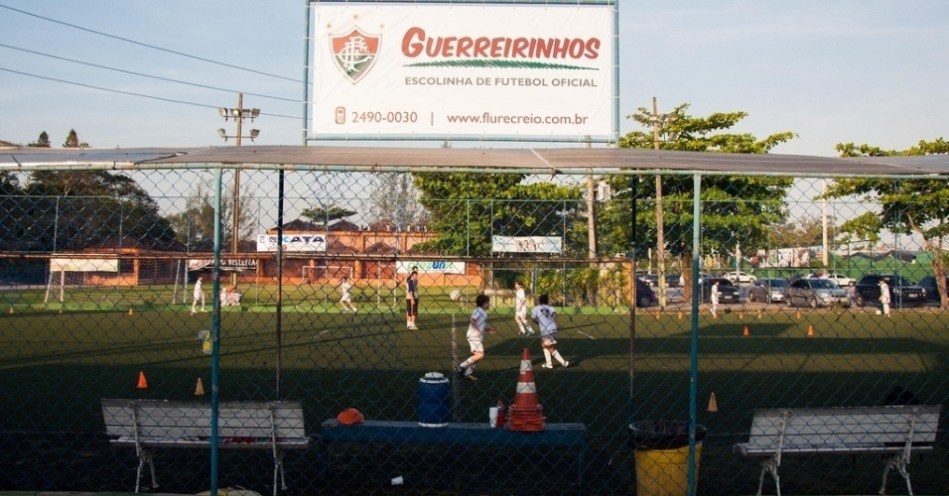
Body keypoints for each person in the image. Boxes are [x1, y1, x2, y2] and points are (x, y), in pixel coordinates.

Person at [456, 294, 494, 381]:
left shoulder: (482, 312)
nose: (489, 304)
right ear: (484, 303)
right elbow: (471, 319)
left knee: (478, 356)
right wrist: (476, 330)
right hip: (473, 336)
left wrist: (487, 329)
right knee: (480, 354)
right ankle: (461, 366)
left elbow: (480, 324)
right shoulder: (479, 310)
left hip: (476, 336)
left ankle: (466, 373)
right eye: (488, 303)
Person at [531, 294, 569, 369]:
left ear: (539, 301)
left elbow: (533, 319)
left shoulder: (536, 308)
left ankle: (564, 362)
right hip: (553, 328)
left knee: (550, 347)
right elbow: (554, 314)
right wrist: (557, 323)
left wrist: (538, 322)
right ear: (547, 300)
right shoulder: (550, 307)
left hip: (546, 330)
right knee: (544, 345)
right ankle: (549, 364)